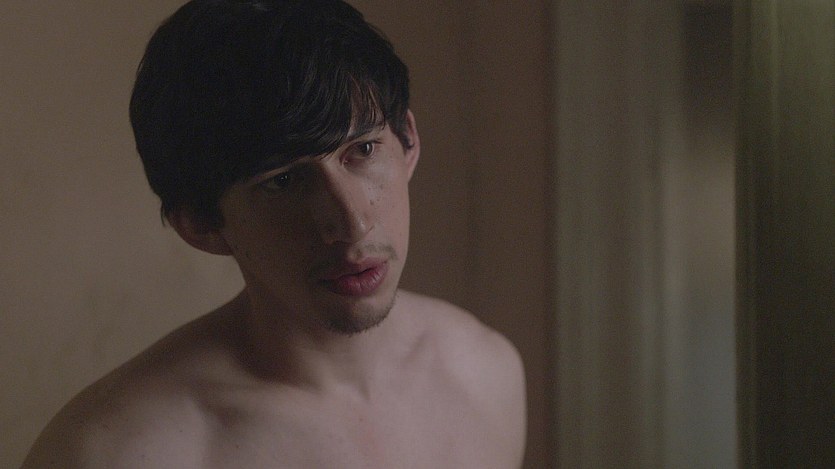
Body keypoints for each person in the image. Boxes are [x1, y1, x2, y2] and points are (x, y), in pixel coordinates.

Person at [22, 1, 526, 467]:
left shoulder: (483, 374)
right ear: (200, 225)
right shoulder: (120, 452)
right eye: (282, 181)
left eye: (363, 151)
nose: (351, 224)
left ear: (408, 141)